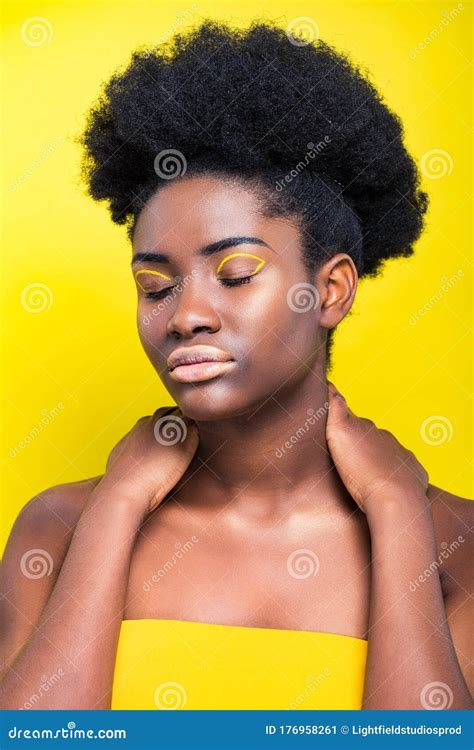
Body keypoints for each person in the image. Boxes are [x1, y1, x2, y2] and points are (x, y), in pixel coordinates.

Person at [0, 20, 472, 711]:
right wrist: (117, 508)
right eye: (155, 286)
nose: (185, 315)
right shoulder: (60, 526)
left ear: (331, 290)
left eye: (236, 272)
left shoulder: (453, 542)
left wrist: (397, 510)